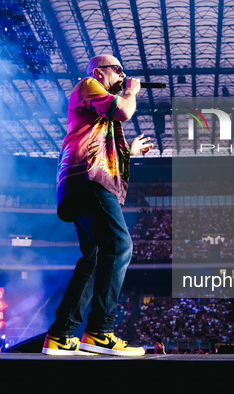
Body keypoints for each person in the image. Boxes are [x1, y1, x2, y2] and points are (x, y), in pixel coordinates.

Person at [42, 54, 153, 357]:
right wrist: (130, 90)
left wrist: (128, 150)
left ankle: (61, 334)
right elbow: (123, 111)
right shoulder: (88, 85)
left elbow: (109, 148)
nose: (122, 75)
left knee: (92, 257)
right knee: (119, 245)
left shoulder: (99, 113)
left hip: (84, 180)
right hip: (88, 178)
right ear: (99, 72)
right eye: (118, 70)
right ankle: (100, 331)